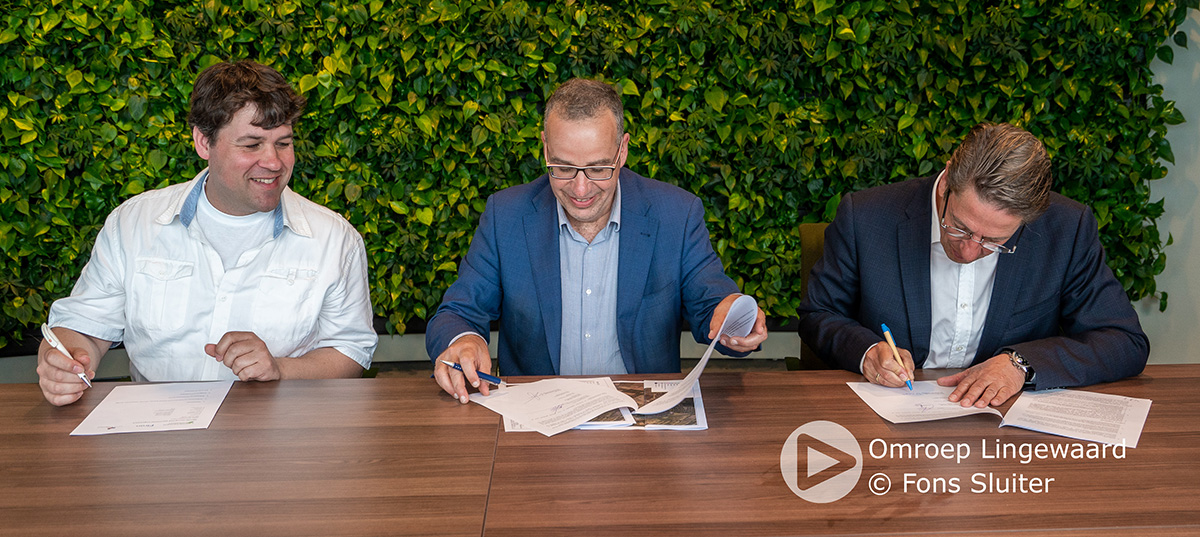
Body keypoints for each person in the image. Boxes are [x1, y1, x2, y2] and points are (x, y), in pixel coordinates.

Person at [37, 60, 378, 406]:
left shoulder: (335, 240)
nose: (274, 162)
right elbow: (83, 327)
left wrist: (280, 369)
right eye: (252, 144)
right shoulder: (133, 224)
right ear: (203, 142)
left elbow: (350, 351)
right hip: (156, 429)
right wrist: (65, 363)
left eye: (283, 143)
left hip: (278, 431)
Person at [427, 78, 768, 403]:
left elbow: (713, 304)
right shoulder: (506, 216)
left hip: (644, 419)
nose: (580, 189)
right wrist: (464, 340)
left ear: (623, 150)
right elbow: (457, 311)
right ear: (545, 147)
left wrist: (736, 318)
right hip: (536, 419)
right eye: (563, 167)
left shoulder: (676, 215)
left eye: (598, 169)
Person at [797, 122, 1148, 408]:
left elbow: (1123, 341)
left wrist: (1020, 365)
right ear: (948, 180)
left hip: (1007, 426)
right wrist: (867, 352)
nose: (968, 251)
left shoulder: (1066, 228)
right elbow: (819, 314)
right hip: (885, 420)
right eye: (959, 227)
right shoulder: (866, 217)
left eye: (994, 241)